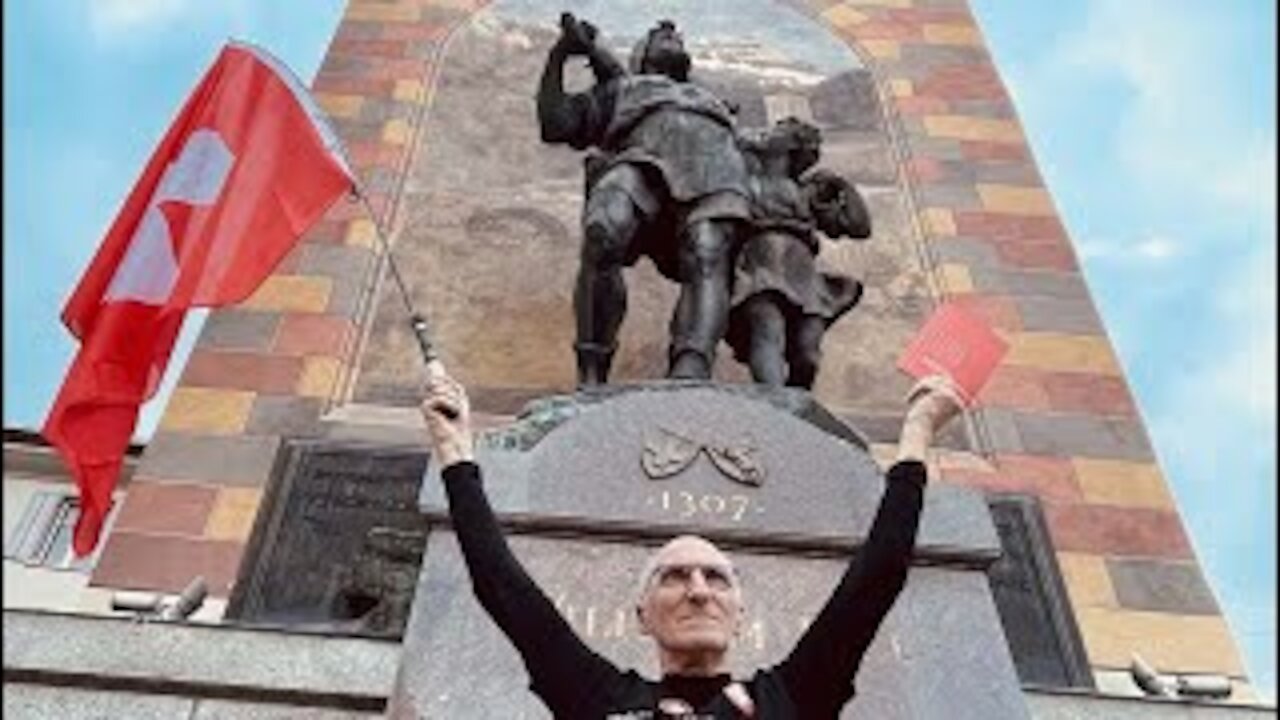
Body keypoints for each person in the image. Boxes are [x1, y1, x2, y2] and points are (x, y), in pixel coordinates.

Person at [420, 367, 963, 718]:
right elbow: (502, 587)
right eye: (674, 577)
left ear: (740, 611)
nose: (698, 591)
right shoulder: (602, 699)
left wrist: (916, 434)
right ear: (641, 614)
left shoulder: (790, 698)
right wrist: (455, 454)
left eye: (715, 577)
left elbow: (877, 579)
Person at [537, 14, 753, 384]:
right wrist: (559, 56)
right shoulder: (622, 88)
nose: (669, 33)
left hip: (717, 174)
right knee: (604, 231)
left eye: (675, 36)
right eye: (657, 36)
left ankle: (690, 370)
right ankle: (592, 371)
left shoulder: (713, 101)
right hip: (640, 162)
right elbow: (556, 124)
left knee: (708, 252)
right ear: (641, 56)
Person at [726, 118, 871, 389]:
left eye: (779, 133)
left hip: (801, 271)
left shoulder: (808, 191)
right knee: (767, 330)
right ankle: (774, 402)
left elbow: (859, 228)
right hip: (757, 265)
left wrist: (842, 186)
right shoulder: (744, 182)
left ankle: (796, 411)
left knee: (807, 355)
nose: (768, 136)